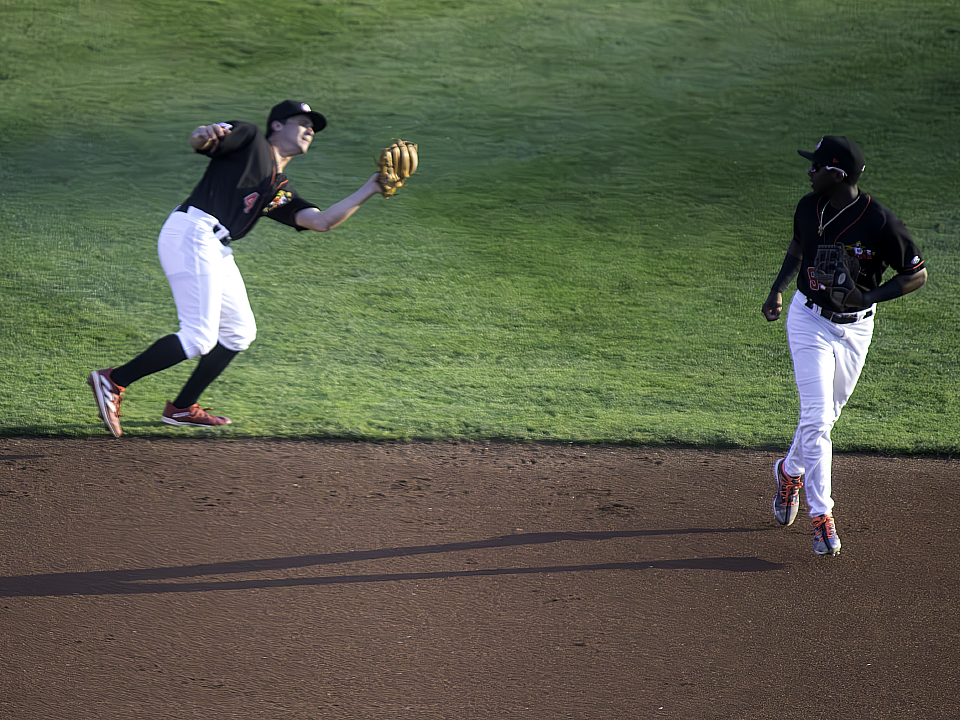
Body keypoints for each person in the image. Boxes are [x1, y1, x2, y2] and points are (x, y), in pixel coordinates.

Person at [88, 100, 386, 437]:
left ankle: (182, 408)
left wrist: (371, 187)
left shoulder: (277, 187)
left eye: (313, 128)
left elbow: (320, 222)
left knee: (240, 332)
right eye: (303, 122)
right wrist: (202, 133)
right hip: (192, 232)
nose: (310, 130)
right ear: (277, 125)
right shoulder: (249, 138)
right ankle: (113, 380)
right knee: (199, 337)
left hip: (214, 246)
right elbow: (204, 140)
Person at [761, 136, 927, 556]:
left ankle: (789, 471)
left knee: (825, 419)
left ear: (836, 174)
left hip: (855, 330)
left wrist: (870, 297)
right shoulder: (807, 207)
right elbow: (799, 246)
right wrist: (778, 290)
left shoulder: (880, 222)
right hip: (808, 320)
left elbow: (916, 275)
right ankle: (822, 517)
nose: (809, 171)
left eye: (815, 166)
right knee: (816, 419)